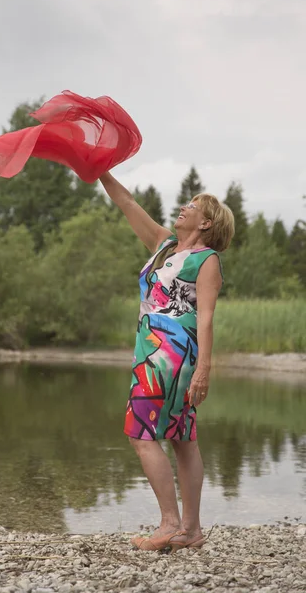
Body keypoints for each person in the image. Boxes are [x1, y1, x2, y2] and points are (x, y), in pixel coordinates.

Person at [99, 171, 235, 552]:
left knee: (140, 436)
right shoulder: (163, 244)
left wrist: (204, 370)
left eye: (192, 206)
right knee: (181, 437)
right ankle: (190, 531)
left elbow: (206, 317)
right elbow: (126, 202)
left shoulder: (206, 260)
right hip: (151, 350)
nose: (183, 207)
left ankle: (170, 523)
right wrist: (99, 171)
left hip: (171, 355)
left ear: (206, 222)